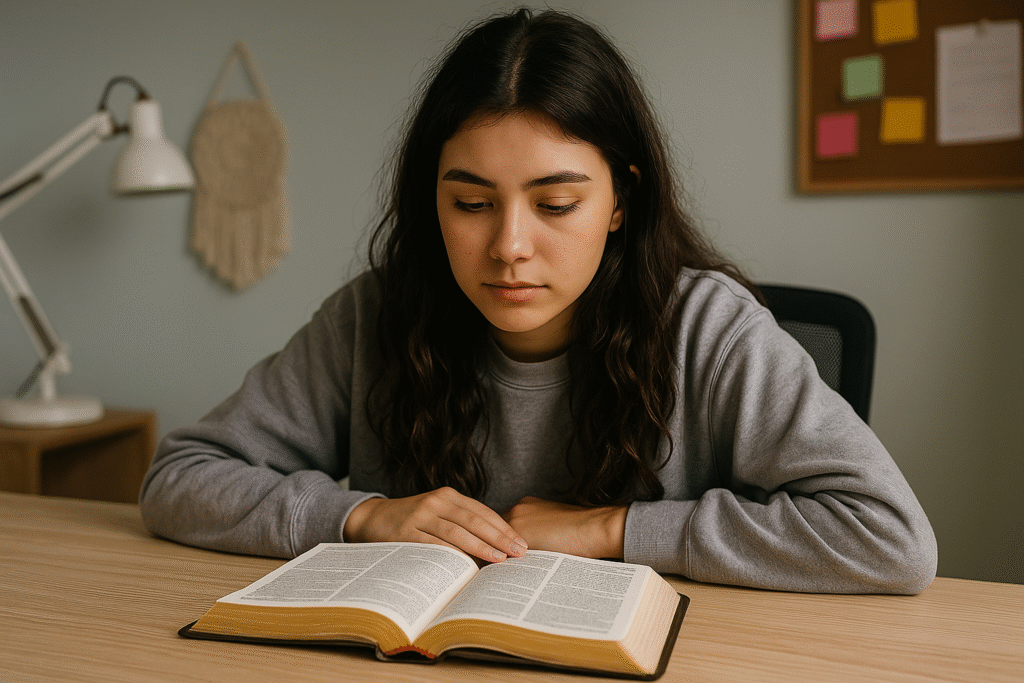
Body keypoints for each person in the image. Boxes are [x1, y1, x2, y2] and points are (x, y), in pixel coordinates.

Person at [140, 8, 937, 594]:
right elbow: (179, 477)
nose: (510, 246)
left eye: (556, 205)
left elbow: (890, 539)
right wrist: (363, 516)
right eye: (471, 203)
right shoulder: (374, 315)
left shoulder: (709, 328)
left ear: (621, 201)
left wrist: (610, 528)